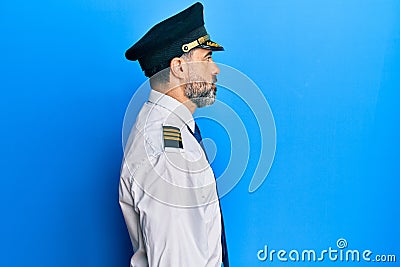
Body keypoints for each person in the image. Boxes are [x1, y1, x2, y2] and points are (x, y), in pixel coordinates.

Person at [119, 2, 229, 266]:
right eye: (207, 58)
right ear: (179, 67)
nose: (216, 70)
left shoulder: (166, 131)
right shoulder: (170, 155)